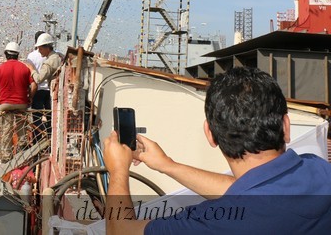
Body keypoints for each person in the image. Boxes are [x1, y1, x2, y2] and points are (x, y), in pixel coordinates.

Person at [103, 67, 331, 234]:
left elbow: (120, 230)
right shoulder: (318, 169)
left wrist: (118, 171)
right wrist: (167, 166)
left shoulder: (213, 221)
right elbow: (247, 192)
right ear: (286, 126)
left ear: (210, 134)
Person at [0, 41, 37, 162]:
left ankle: (6, 157)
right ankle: (22, 151)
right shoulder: (25, 68)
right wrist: (30, 98)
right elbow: (34, 85)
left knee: (6, 130)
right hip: (22, 104)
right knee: (22, 128)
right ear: (17, 55)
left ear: (6, 54)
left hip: (5, 105)